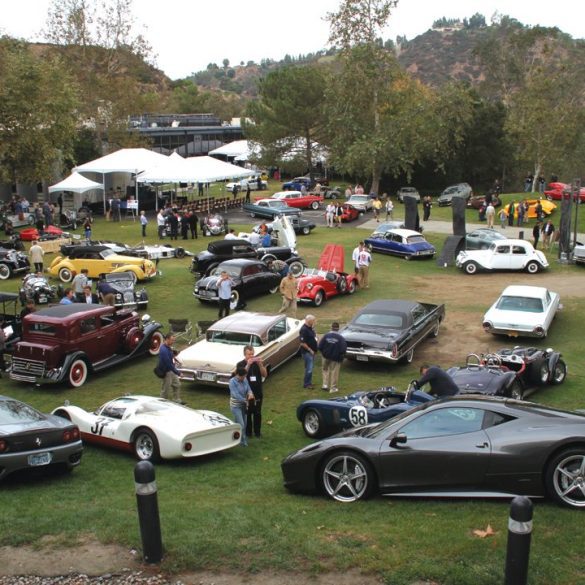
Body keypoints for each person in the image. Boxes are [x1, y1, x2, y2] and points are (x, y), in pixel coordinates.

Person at [236, 345, 267, 439]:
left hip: (257, 392)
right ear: (245, 354)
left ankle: (257, 432)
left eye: (253, 354)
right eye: (249, 354)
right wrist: (248, 364)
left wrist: (261, 365)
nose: (252, 356)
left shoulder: (257, 363)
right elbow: (241, 376)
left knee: (257, 413)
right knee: (247, 413)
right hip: (246, 394)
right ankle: (248, 432)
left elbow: (264, 374)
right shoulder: (240, 364)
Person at [229, 366, 254, 446]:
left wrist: (250, 393)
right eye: (243, 377)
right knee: (241, 424)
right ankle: (242, 442)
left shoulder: (245, 379)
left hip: (244, 406)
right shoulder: (232, 382)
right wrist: (245, 400)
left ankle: (234, 437)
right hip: (235, 406)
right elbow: (235, 394)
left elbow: (249, 388)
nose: (244, 378)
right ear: (238, 375)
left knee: (243, 423)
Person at [318, 322, 347, 393]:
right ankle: (333, 388)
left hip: (325, 357)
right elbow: (343, 349)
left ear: (331, 327)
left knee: (325, 370)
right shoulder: (341, 338)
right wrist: (340, 356)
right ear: (338, 328)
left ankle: (325, 385)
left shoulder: (326, 336)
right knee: (334, 372)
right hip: (335, 358)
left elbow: (320, 346)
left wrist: (323, 353)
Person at [158, 333, 183, 404]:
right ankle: (161, 403)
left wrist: (176, 360)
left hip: (171, 370)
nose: (173, 342)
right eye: (172, 340)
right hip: (167, 372)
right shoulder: (163, 350)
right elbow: (168, 364)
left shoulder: (168, 347)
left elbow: (171, 356)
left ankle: (176, 400)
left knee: (177, 384)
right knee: (165, 390)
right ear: (167, 339)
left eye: (174, 340)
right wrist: (178, 373)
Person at [299, 314, 318, 389]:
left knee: (309, 368)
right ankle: (306, 384)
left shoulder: (310, 328)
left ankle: (309, 382)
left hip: (312, 352)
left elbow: (313, 336)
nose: (314, 322)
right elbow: (302, 343)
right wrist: (310, 350)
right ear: (309, 321)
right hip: (307, 352)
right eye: (313, 321)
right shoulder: (303, 330)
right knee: (309, 369)